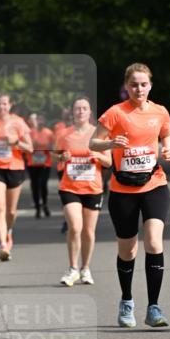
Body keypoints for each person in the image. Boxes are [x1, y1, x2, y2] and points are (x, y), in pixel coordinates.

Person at [89, 63, 170, 327]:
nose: (139, 89)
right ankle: (127, 301)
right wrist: (111, 143)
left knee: (153, 241)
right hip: (123, 189)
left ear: (150, 85)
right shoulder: (115, 113)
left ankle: (154, 308)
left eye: (143, 84)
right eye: (134, 84)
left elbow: (168, 134)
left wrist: (168, 150)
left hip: (154, 184)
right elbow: (93, 143)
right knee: (128, 250)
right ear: (127, 86)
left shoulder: (160, 111)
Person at [55, 96, 111, 286]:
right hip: (69, 187)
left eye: (84, 108)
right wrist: (63, 156)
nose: (80, 111)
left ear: (90, 112)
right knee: (75, 226)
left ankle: (85, 268)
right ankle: (72, 269)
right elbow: (57, 156)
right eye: (77, 108)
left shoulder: (99, 135)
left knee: (88, 231)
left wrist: (97, 155)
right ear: (72, 112)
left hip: (93, 188)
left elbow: (109, 162)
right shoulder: (64, 134)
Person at [0, 93, 32, 260]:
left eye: (4, 104)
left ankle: (8, 232)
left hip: (15, 168)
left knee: (11, 211)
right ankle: (3, 245)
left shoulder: (18, 122)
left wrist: (16, 142)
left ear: (10, 105)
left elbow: (30, 148)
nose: (1, 107)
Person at [26, 112, 54, 217]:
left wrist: (44, 146)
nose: (40, 122)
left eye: (42, 120)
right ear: (36, 121)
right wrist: (33, 145)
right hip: (32, 163)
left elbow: (53, 147)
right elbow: (26, 147)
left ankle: (45, 205)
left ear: (45, 121)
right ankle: (37, 207)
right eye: (39, 120)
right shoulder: (30, 132)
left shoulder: (49, 133)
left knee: (43, 184)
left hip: (45, 163)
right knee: (34, 185)